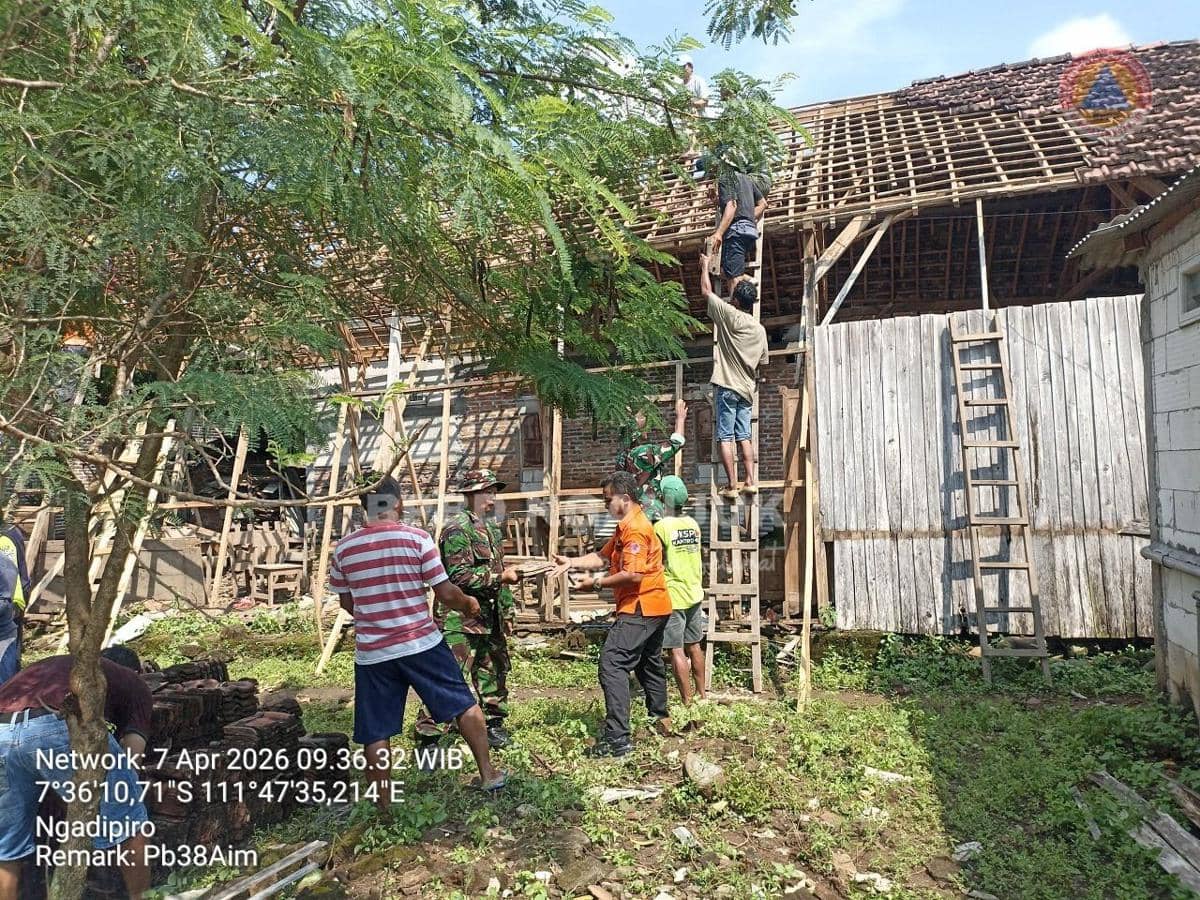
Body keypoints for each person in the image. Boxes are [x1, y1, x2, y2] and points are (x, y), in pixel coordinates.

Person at [329, 475, 506, 803]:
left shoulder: (344, 549)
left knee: (376, 732)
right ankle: (488, 775)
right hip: (420, 643)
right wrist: (469, 603)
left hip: (373, 653)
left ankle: (383, 805)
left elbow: (347, 604)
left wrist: (377, 615)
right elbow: (447, 593)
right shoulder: (417, 539)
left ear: (363, 505)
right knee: (464, 704)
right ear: (397, 502)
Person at [0, 646, 154, 900]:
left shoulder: (52, 663)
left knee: (6, 844)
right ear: (136, 670)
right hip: (56, 719)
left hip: (2, 729)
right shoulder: (134, 682)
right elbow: (132, 756)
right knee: (130, 819)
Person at [553, 471, 673, 757]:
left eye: (608, 500)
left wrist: (594, 583)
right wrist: (571, 562)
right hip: (654, 606)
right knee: (648, 662)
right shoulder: (624, 527)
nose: (605, 504)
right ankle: (660, 717)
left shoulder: (636, 530)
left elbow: (631, 575)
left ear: (625, 498)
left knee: (612, 663)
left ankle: (618, 739)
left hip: (641, 606)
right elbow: (603, 557)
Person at [414, 469, 520, 749]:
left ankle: (493, 724)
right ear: (471, 495)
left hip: (489, 616)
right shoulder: (457, 529)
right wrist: (500, 578)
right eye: (487, 492)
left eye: (494, 491)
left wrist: (507, 610)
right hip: (459, 619)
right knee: (451, 675)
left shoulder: (492, 529)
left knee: (493, 670)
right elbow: (458, 577)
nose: (492, 497)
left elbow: (499, 570)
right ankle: (428, 735)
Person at [700, 248, 768, 499]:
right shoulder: (759, 330)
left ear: (736, 300)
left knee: (725, 436)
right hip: (746, 390)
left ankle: (732, 485)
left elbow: (706, 292)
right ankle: (750, 481)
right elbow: (762, 361)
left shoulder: (730, 316)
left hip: (727, 386)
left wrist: (705, 265)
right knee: (744, 436)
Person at [654, 476, 707, 704]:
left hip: (673, 595)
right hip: (694, 591)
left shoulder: (661, 527)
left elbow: (655, 560)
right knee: (694, 645)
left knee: (675, 649)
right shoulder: (692, 524)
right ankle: (702, 695)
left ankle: (686, 702)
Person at [616, 398, 688, 522]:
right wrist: (680, 418)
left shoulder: (622, 458)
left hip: (632, 513)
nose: (648, 431)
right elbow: (677, 442)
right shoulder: (643, 453)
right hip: (650, 512)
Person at [709, 169, 767, 296]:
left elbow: (732, 206)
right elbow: (763, 204)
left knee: (734, 279)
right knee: (727, 269)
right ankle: (749, 279)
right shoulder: (747, 179)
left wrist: (719, 233)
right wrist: (747, 217)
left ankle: (738, 312)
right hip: (749, 233)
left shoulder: (725, 178)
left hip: (735, 233)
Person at [0, 519, 30, 682]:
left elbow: (8, 578)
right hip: (10, 602)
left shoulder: (4, 539)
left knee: (7, 669)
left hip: (10, 605)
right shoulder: (10, 531)